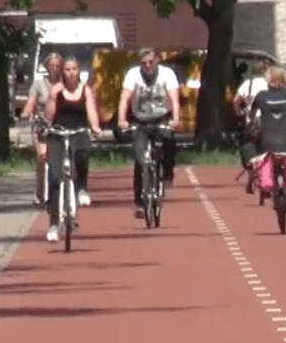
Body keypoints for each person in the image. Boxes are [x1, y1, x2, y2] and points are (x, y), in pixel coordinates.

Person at [116, 48, 181, 219]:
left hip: (161, 118)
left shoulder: (167, 74)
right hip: (140, 120)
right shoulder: (133, 75)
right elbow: (124, 99)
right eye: (144, 63)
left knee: (168, 138)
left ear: (157, 60)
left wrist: (175, 118)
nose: (148, 66)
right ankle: (139, 202)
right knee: (140, 159)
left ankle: (167, 172)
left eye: (151, 62)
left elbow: (174, 98)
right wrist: (122, 120)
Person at [43, 56, 102, 242]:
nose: (71, 73)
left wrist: (95, 126)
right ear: (63, 72)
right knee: (55, 176)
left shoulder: (85, 90)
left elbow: (91, 111)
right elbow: (48, 116)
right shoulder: (56, 90)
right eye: (67, 69)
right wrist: (53, 97)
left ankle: (81, 189)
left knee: (82, 153)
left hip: (78, 131)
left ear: (79, 70)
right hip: (58, 133)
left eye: (74, 69)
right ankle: (53, 224)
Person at [250, 65, 286, 215]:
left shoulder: (261, 96)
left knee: (260, 152)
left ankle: (264, 185)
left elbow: (252, 117)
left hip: (268, 141)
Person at [20, 52, 63, 205]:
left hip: (61, 124)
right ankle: (39, 193)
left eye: (58, 66)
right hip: (43, 125)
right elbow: (31, 102)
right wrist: (26, 113)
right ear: (46, 67)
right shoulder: (39, 84)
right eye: (52, 66)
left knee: (65, 159)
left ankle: (68, 192)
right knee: (42, 158)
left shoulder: (65, 83)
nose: (55, 69)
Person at [234, 60, 269, 193]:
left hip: (252, 121)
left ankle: (251, 171)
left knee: (246, 146)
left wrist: (239, 113)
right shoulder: (271, 85)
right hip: (269, 120)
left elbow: (236, 100)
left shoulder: (248, 84)